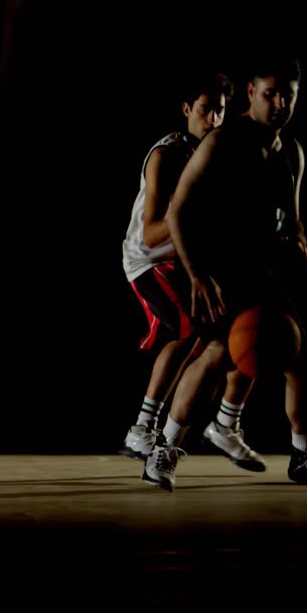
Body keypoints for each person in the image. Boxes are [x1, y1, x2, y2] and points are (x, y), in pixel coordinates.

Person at [143, 56, 307, 490]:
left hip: (266, 267)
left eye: (286, 96)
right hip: (217, 267)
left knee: (301, 357)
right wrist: (198, 275)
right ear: (252, 93)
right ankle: (164, 449)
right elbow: (177, 211)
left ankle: (303, 456)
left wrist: (299, 238)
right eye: (269, 93)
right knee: (219, 353)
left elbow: (292, 217)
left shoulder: (290, 151)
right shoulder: (222, 143)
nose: (278, 104)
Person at [120, 72, 264, 470]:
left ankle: (224, 423)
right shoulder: (166, 156)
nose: (213, 119)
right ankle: (143, 428)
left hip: (188, 261)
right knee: (186, 327)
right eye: (205, 110)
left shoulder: (217, 152)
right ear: (187, 110)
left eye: (220, 110)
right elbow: (150, 233)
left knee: (240, 329)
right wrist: (189, 206)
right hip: (148, 260)